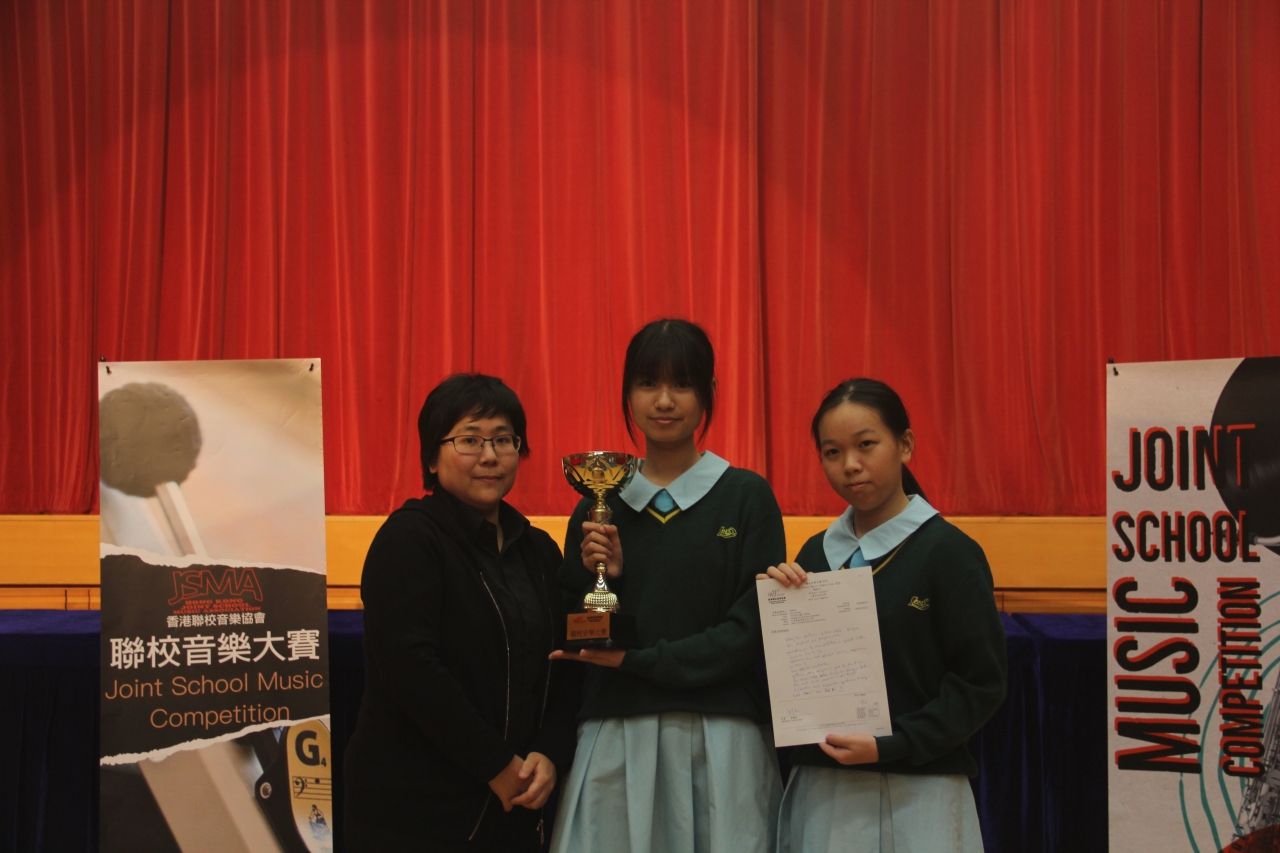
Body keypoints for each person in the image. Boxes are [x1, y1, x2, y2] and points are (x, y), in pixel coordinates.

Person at [549, 318, 787, 853]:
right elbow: (577, 632)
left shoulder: (746, 497)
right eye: (647, 383)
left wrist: (638, 662)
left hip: (723, 736)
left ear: (709, 392)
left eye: (681, 384)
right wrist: (607, 581)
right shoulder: (597, 504)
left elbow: (750, 632)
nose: (663, 401)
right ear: (626, 392)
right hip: (616, 732)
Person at [764, 378, 1007, 853]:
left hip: (920, 793)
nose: (850, 465)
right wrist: (776, 607)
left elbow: (981, 684)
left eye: (866, 445)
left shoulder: (949, 553)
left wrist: (893, 743)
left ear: (905, 445)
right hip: (824, 789)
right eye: (832, 452)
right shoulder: (814, 555)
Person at [344, 374, 581, 853]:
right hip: (415, 815)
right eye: (469, 440)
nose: (490, 456)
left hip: (515, 806)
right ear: (432, 458)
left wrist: (550, 753)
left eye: (503, 440)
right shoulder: (409, 539)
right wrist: (497, 765)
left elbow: (564, 662)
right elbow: (412, 670)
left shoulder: (537, 549)